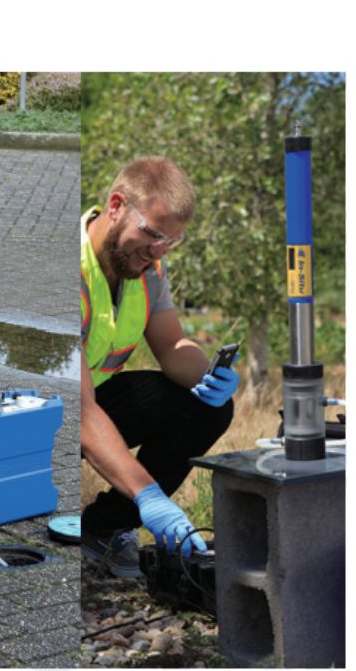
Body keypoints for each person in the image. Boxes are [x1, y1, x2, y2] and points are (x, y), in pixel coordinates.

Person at [80, 156, 238, 577]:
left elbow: (172, 347)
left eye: (170, 241)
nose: (158, 250)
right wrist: (149, 495)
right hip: (56, 410)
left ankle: (103, 530)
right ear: (116, 206)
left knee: (207, 406)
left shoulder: (147, 268)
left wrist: (209, 376)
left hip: (94, 399)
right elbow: (78, 408)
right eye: (151, 234)